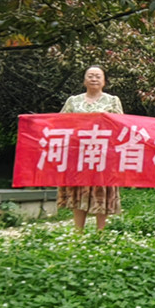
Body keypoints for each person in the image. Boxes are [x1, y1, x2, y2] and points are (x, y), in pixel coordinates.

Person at [57, 66, 124, 231]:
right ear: (84, 80)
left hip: (103, 154)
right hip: (78, 154)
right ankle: (78, 231)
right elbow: (60, 123)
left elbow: (120, 125)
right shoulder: (73, 101)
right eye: (90, 76)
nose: (94, 79)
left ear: (104, 81)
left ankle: (100, 232)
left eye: (98, 76)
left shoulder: (112, 100)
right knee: (79, 190)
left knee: (102, 190)